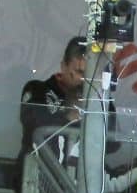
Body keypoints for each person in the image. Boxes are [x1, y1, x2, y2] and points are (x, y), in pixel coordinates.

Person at [19, 37, 87, 171]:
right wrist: (71, 114)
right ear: (63, 66)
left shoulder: (98, 101)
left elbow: (113, 142)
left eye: (89, 73)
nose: (84, 79)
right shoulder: (37, 89)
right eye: (79, 72)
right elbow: (34, 128)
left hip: (79, 179)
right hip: (40, 178)